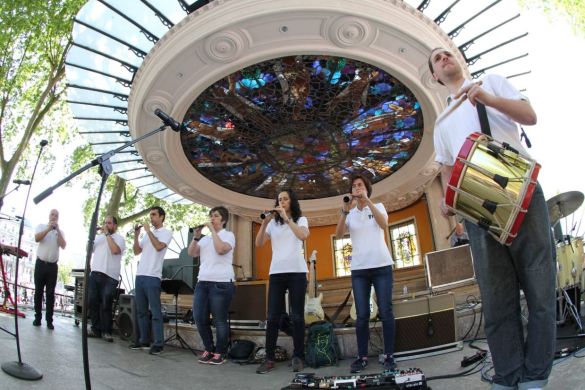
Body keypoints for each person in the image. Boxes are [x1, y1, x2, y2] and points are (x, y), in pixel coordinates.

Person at [429, 48, 556, 390]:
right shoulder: (441, 123)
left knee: (539, 284)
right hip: (476, 208)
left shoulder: (492, 82)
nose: (443, 58)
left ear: (460, 62)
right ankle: (508, 373)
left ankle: (536, 374)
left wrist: (486, 98)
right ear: (435, 77)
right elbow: (445, 167)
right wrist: (447, 204)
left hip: (521, 191)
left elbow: (529, 116)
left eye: (446, 53)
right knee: (496, 296)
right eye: (436, 59)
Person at [335, 174, 396, 373]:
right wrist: (345, 211)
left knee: (386, 312)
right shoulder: (350, 214)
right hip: (359, 269)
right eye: (354, 186)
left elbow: (384, 224)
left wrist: (367, 201)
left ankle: (389, 355)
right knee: (361, 315)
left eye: (360, 185)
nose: (357, 188)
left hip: (382, 266)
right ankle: (361, 357)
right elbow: (338, 234)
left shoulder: (377, 206)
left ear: (367, 188)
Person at [255, 189, 309, 374]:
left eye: (285, 199)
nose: (282, 201)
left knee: (297, 317)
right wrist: (264, 224)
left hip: (297, 272)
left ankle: (298, 356)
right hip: (277, 273)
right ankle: (269, 358)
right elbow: (259, 243)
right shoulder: (273, 224)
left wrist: (287, 218)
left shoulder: (301, 220)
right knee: (272, 317)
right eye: (279, 199)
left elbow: (302, 236)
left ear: (291, 201)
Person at [188, 206, 236, 365]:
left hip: (221, 283)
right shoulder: (205, 239)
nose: (212, 218)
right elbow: (192, 253)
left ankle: (220, 352)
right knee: (199, 317)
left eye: (215, 216)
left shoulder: (228, 235)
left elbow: (221, 249)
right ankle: (209, 349)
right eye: (211, 216)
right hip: (202, 282)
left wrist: (212, 231)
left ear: (223, 220)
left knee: (219, 320)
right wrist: (196, 237)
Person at [129, 206, 173, 355]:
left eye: (154, 215)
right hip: (140, 275)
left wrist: (148, 231)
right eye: (150, 215)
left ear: (161, 217)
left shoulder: (166, 232)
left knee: (155, 311)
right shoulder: (148, 234)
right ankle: (143, 340)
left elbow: (159, 247)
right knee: (141, 311)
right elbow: (136, 251)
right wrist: (136, 235)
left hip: (153, 276)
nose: (151, 217)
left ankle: (159, 343)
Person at [88, 216, 125, 342]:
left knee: (106, 303)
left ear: (115, 225)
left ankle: (107, 331)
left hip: (110, 276)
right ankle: (96, 329)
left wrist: (108, 234)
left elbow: (115, 250)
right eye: (105, 223)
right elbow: (88, 251)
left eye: (109, 223)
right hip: (95, 273)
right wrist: (92, 235)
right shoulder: (98, 238)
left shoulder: (119, 238)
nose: (106, 225)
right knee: (93, 302)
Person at [33, 209, 66, 329]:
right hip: (40, 264)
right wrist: (48, 228)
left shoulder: (60, 232)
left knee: (50, 294)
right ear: (49, 215)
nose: (54, 217)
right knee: (38, 291)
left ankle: (49, 320)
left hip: (52, 266)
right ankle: (37, 317)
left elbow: (63, 246)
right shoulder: (41, 226)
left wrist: (57, 230)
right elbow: (37, 238)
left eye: (56, 215)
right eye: (52, 214)